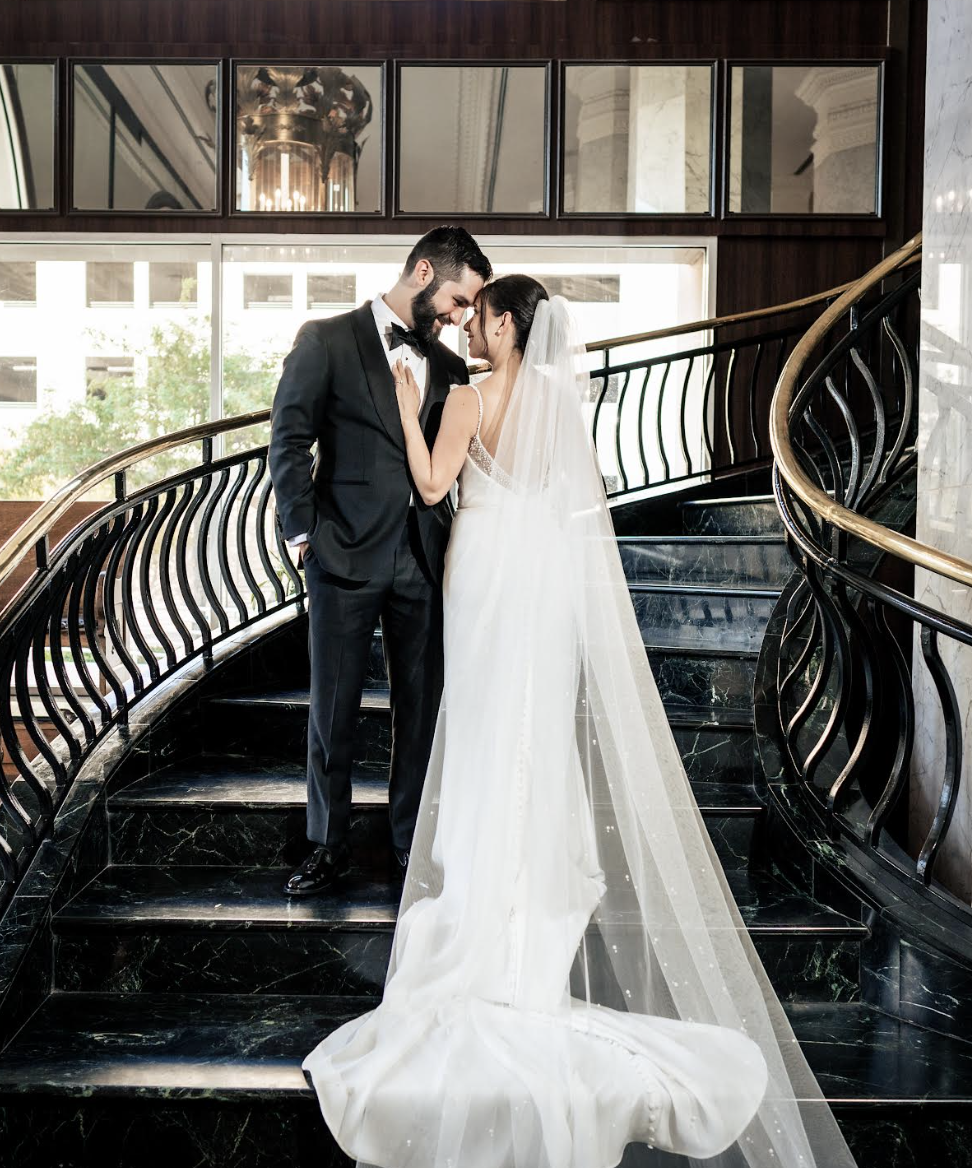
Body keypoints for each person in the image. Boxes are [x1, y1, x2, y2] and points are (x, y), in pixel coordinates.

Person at [302, 278, 859, 1168]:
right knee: (532, 738)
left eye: (482, 317)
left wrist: (412, 409)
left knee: (486, 737)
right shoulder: (563, 401)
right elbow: (576, 510)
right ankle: (528, 897)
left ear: (511, 325)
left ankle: (485, 903)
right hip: (545, 585)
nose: (470, 328)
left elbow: (433, 482)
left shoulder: (473, 396)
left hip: (485, 575)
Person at [268, 226, 491, 896]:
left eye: (471, 309)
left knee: (420, 713)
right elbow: (289, 437)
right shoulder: (326, 340)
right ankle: (326, 845)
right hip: (343, 553)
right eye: (457, 299)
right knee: (332, 710)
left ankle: (409, 846)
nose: (461, 316)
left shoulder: (452, 370)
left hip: (425, 558)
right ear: (423, 272)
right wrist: (302, 532)